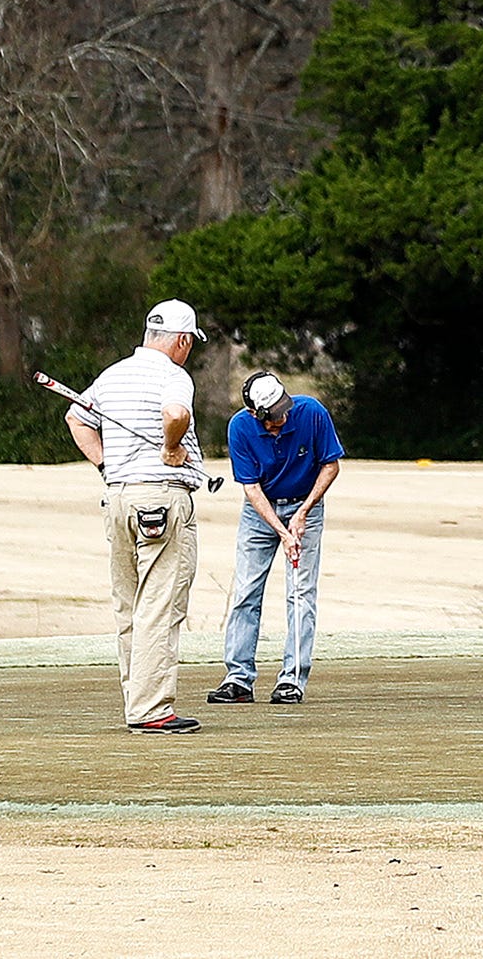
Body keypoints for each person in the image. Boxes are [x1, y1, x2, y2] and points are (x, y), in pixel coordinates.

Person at [65, 299, 212, 735]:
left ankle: (138, 702)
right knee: (159, 604)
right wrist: (170, 448)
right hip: (162, 499)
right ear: (182, 341)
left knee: (129, 606)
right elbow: (176, 414)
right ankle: (152, 711)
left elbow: (76, 418)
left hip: (118, 498)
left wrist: (105, 465)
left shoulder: (112, 374)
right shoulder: (173, 375)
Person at [207, 372, 345, 706]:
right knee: (245, 591)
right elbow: (251, 487)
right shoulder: (240, 427)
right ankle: (238, 679)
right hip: (260, 511)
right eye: (272, 417)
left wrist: (303, 514)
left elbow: (331, 465)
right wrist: (282, 531)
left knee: (300, 592)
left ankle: (292, 680)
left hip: (305, 503)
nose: (279, 422)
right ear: (255, 413)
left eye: (282, 412)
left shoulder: (311, 412)